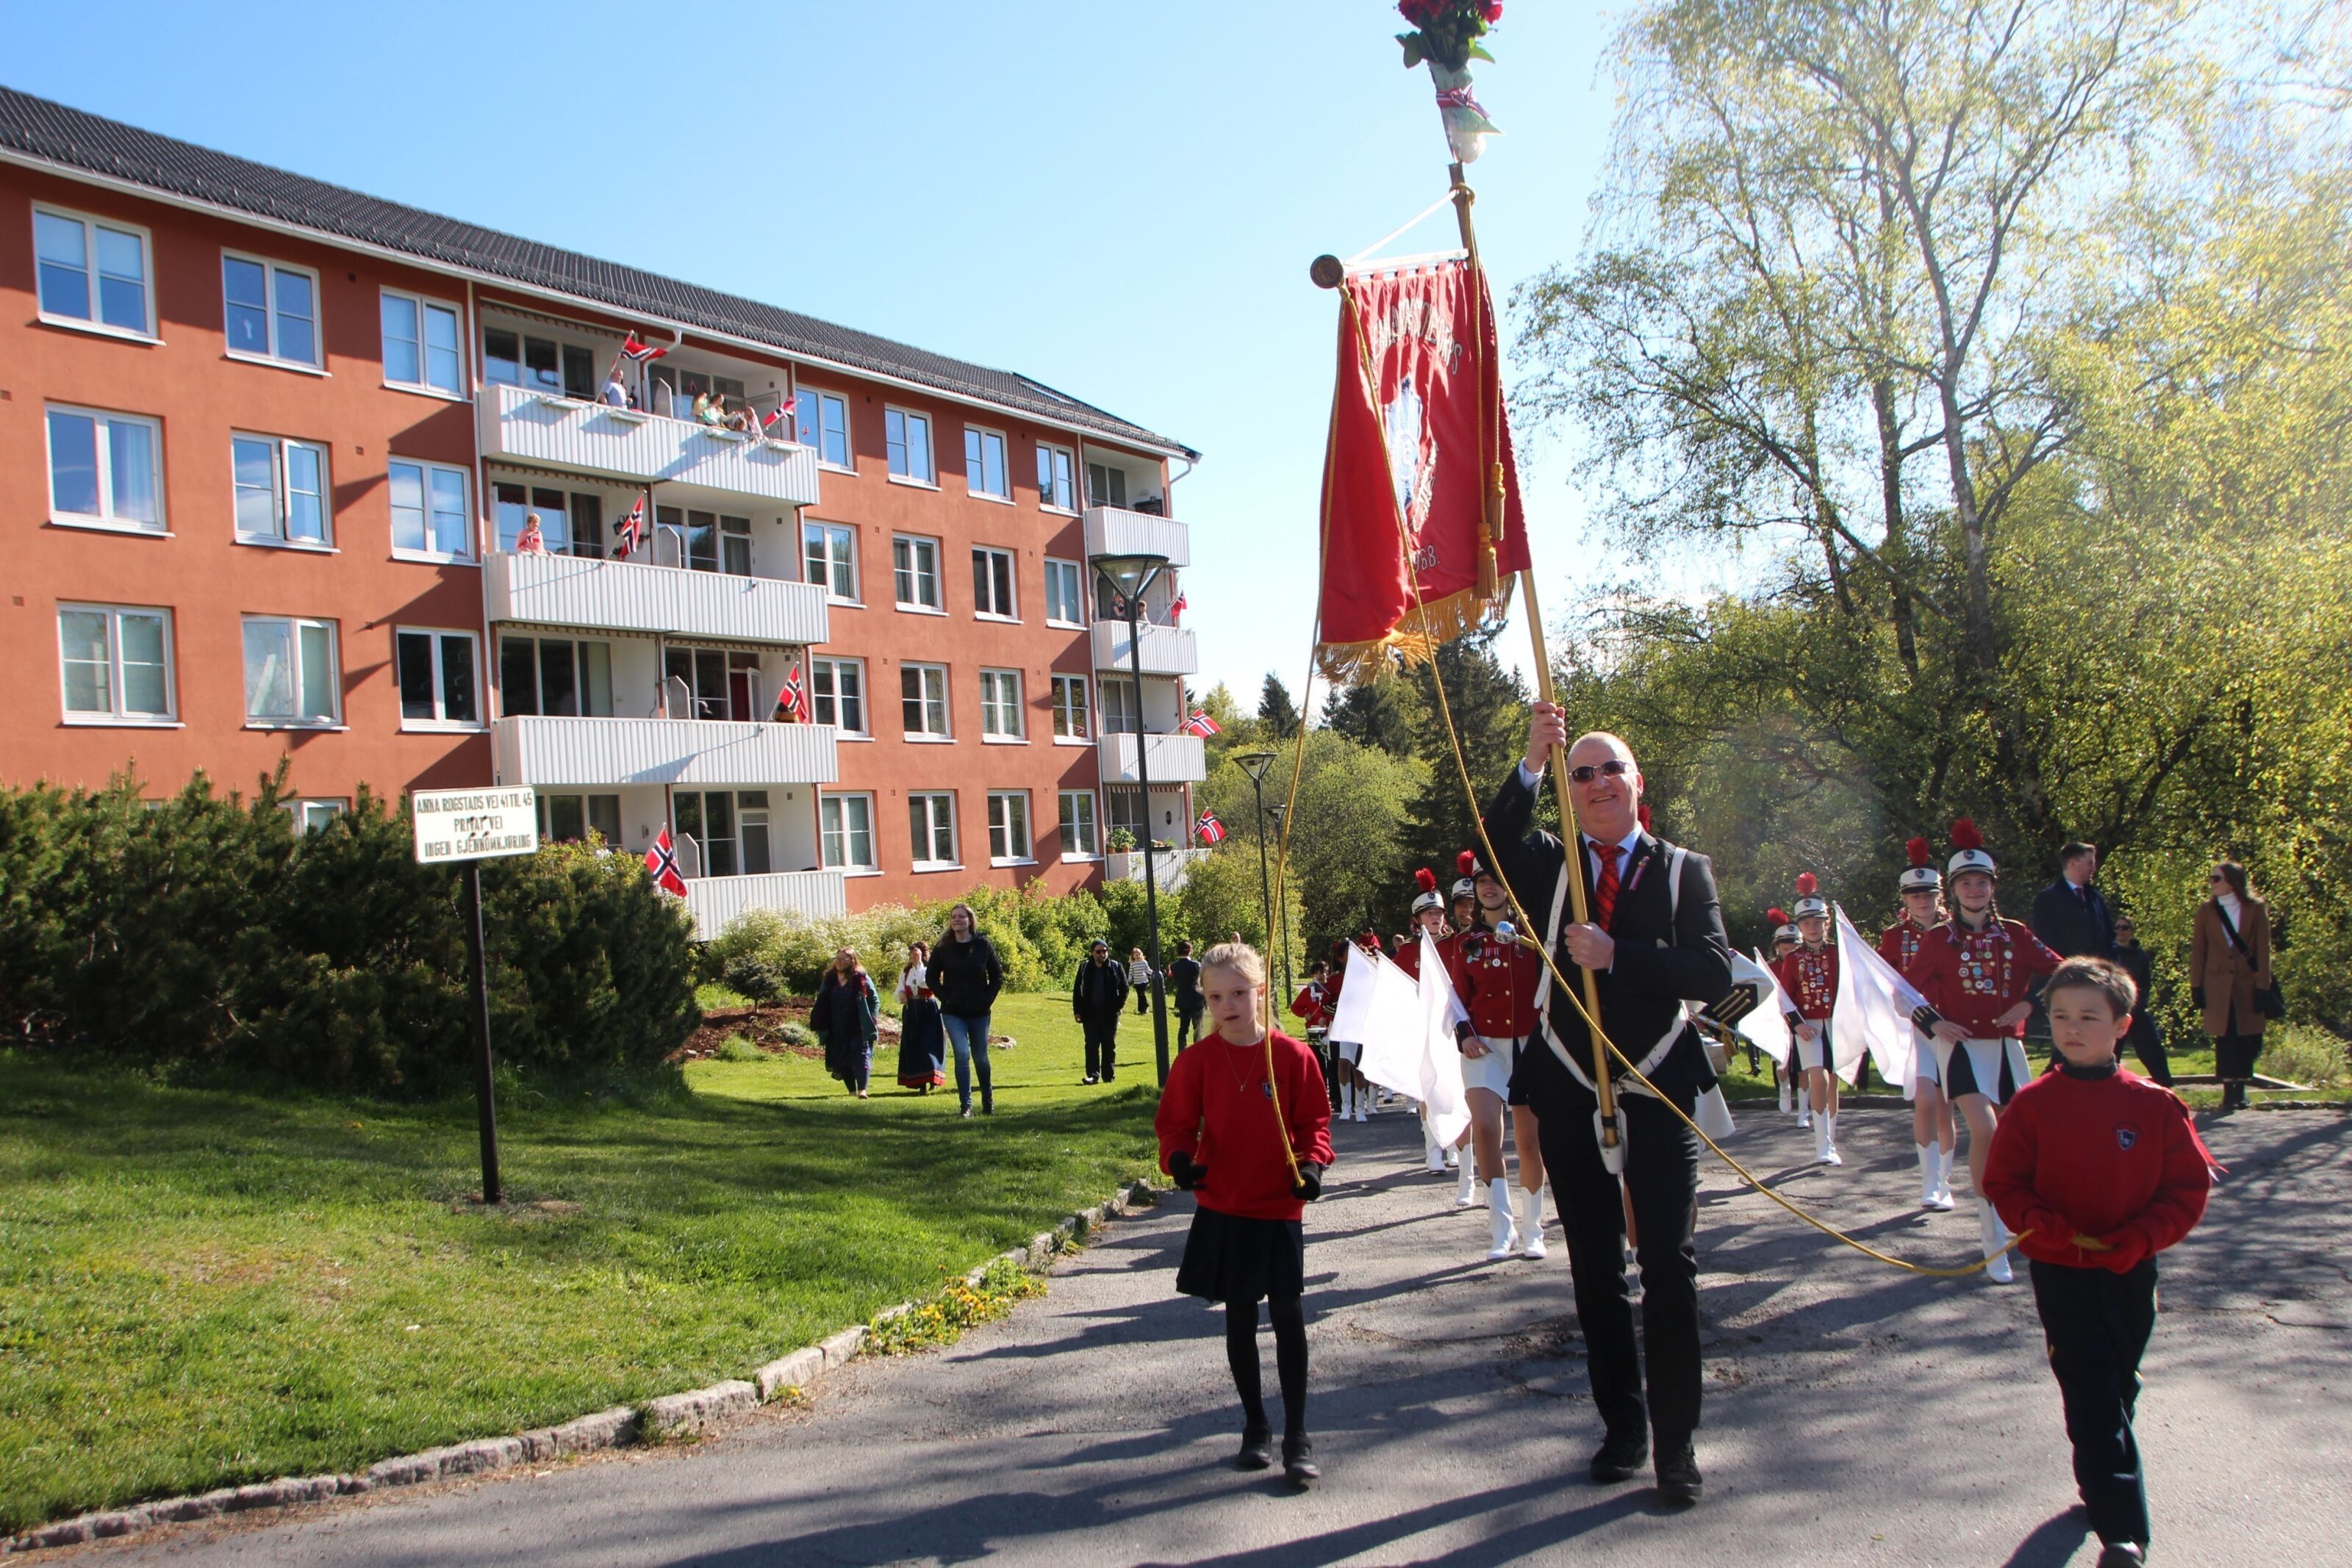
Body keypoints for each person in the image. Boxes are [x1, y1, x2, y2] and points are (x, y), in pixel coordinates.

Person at [1483, 705, 1733, 1506]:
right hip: (1567, 1086)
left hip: (1656, 1086)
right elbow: (1494, 837)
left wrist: (1616, 955)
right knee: (1596, 1267)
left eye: (1610, 769)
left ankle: (1677, 1442)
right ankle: (1623, 1427)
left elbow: (1712, 970)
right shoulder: (1551, 864)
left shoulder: (1683, 869)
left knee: (1668, 1265)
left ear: (1636, 782)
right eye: (1581, 773)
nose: (1596, 783)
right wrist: (1531, 760)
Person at [1982, 956, 2214, 1568]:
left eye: (2089, 1016)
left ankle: (2102, 1474)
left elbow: (2185, 1191)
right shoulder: (2032, 1105)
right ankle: (2123, 1534)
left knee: (2119, 1383)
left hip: (2130, 1269)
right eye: (2061, 1016)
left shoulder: (2155, 1105)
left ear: (2121, 1025)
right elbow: (2004, 1183)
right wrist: (2046, 1226)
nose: (2072, 1028)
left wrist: (2140, 1239)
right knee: (2090, 1392)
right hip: (2061, 1271)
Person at [1156, 941, 1334, 1487]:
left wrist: (1312, 1167)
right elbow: (1175, 1126)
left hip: (1278, 1203)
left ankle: (1298, 1435)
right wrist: (1179, 1162)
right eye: (1215, 997)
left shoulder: (1293, 1057)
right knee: (1239, 1317)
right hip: (1225, 1203)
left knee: (1288, 1316)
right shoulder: (1196, 1061)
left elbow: (1315, 1125)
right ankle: (1256, 1425)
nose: (1227, 1006)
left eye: (1238, 993)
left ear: (1260, 991)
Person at [1902, 819, 2065, 1284]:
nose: (1974, 890)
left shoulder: (2016, 934)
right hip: (1962, 1049)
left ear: (1993, 887)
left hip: (2008, 1049)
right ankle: (1993, 1240)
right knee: (1986, 1129)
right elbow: (1903, 993)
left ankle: (2021, 1222)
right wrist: (1935, 1023)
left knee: (2021, 1137)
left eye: (1982, 882)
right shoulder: (1937, 940)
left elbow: (2064, 972)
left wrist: (2030, 1004)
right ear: (1953, 891)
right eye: (1965, 883)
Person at [1450, 850, 1550, 1259]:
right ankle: (1501, 1227)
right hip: (1484, 1047)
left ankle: (1533, 1229)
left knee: (1530, 1141)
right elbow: (1457, 999)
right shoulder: (1466, 943)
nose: (1488, 887)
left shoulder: (1534, 935)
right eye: (1481, 881)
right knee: (1487, 1129)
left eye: (1495, 880)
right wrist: (1464, 1035)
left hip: (1530, 1045)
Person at [1882, 839, 1957, 1209]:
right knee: (1926, 1100)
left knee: (1946, 1106)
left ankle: (1945, 1182)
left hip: (1956, 1029)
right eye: (1915, 895)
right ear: (1905, 899)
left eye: (1928, 894)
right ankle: (1929, 1182)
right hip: (1918, 1029)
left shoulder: (1958, 930)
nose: (1922, 901)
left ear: (1939, 895)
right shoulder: (1893, 937)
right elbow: (1886, 981)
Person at [2191, 861, 2273, 1112]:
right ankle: (2229, 1089)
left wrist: (2263, 986)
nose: (2212, 882)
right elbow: (2199, 950)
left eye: (2216, 878)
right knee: (2225, 1035)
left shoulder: (2255, 909)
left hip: (2247, 982)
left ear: (2232, 882)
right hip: (2216, 983)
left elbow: (2263, 950)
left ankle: (2242, 1085)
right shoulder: (2206, 910)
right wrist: (2196, 985)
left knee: (2247, 1035)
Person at [1772, 874, 1843, 1165]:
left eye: (1818, 922)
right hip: (1808, 1027)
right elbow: (1784, 997)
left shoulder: (1840, 953)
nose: (1813, 928)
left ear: (1827, 923)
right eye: (1806, 923)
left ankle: (1831, 1139)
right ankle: (1821, 1144)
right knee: (1818, 1077)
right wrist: (1797, 1024)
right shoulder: (1793, 959)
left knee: (1833, 1083)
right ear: (1800, 927)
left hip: (1837, 1025)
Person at [1396, 869, 1458, 1176]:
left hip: (1453, 1028)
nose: (1436, 917)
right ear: (1418, 919)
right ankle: (1433, 1150)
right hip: (1422, 1028)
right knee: (1429, 1090)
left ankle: (1456, 1145)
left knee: (1456, 1087)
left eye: (1439, 913)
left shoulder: (1455, 944)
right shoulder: (1408, 951)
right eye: (1430, 913)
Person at [931, 903, 1003, 1118]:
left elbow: (997, 976)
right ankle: (966, 1105)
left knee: (980, 1057)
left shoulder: (983, 944)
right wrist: (946, 998)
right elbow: (931, 977)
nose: (957, 920)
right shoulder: (943, 947)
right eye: (953, 917)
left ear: (970, 920)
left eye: (961, 917)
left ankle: (987, 1099)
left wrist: (986, 1001)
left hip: (979, 1012)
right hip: (953, 1012)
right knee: (962, 1055)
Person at [2108, 914, 2173, 1086]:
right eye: (2117, 927)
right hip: (2114, 1009)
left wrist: (2139, 1004)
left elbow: (2145, 983)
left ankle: (2165, 1084)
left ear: (2132, 931)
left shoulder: (2140, 956)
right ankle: (2109, 1085)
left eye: (2125, 928)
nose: (2120, 931)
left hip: (2136, 1008)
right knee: (2111, 1049)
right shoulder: (2109, 953)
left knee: (2151, 1047)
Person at [811, 947, 878, 1099]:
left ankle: (862, 1090)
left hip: (858, 1025)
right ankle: (852, 1091)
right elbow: (821, 999)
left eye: (844, 959)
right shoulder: (829, 979)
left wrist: (872, 1018)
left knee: (861, 1055)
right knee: (842, 1058)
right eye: (838, 959)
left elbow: (874, 999)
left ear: (852, 961)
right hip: (836, 1026)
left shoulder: (861, 978)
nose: (840, 962)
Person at [2032, 842, 2118, 960]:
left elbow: (2109, 937)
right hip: (2067, 969)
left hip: (2098, 970)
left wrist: (2111, 965)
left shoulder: (2095, 897)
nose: (2094, 869)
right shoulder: (2047, 899)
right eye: (2090, 863)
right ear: (2073, 864)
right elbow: (2046, 944)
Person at [1073, 939, 1130, 1085]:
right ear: (1093, 953)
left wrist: (1118, 1005)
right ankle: (1093, 1075)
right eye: (1099, 951)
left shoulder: (1116, 967)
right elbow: (1077, 990)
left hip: (1110, 1014)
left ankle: (1108, 1076)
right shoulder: (1085, 968)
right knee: (1091, 1045)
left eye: (1104, 951)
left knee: (1109, 1045)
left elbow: (1125, 988)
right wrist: (1077, 1011)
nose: (1102, 954)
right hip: (1090, 1013)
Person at [1766, 910, 1804, 1120]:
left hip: (1802, 1018)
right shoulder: (1770, 967)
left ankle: (1804, 1110)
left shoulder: (1805, 963)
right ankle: (1784, 1088)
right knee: (1782, 1061)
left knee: (1804, 1064)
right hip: (1778, 1020)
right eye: (1786, 948)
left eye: (1794, 948)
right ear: (1777, 947)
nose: (1790, 952)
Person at [894, 942, 946, 1093]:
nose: (911, 956)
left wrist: (919, 964)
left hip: (928, 1009)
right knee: (914, 1044)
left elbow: (924, 983)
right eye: (910, 954)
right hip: (912, 1010)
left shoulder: (929, 969)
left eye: (914, 953)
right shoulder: (906, 972)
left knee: (928, 1043)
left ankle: (932, 1077)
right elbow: (900, 988)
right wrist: (901, 994)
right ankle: (919, 1082)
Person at [1170, 939, 1205, 1052]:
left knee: (1183, 1028)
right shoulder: (1196, 965)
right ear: (1190, 951)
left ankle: (1182, 1050)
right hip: (1196, 999)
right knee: (1198, 1028)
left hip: (1183, 999)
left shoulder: (1174, 966)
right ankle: (1198, 1051)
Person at [1127, 946, 1155, 1017]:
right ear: (1133, 956)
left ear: (1141, 954)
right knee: (1139, 996)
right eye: (1136, 955)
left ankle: (1145, 1007)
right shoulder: (1132, 964)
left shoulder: (1144, 962)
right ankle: (1141, 1010)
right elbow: (1131, 973)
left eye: (1139, 955)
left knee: (1141, 994)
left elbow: (1148, 970)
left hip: (1144, 981)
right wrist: (1129, 979)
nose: (1138, 956)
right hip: (1137, 982)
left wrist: (1154, 973)